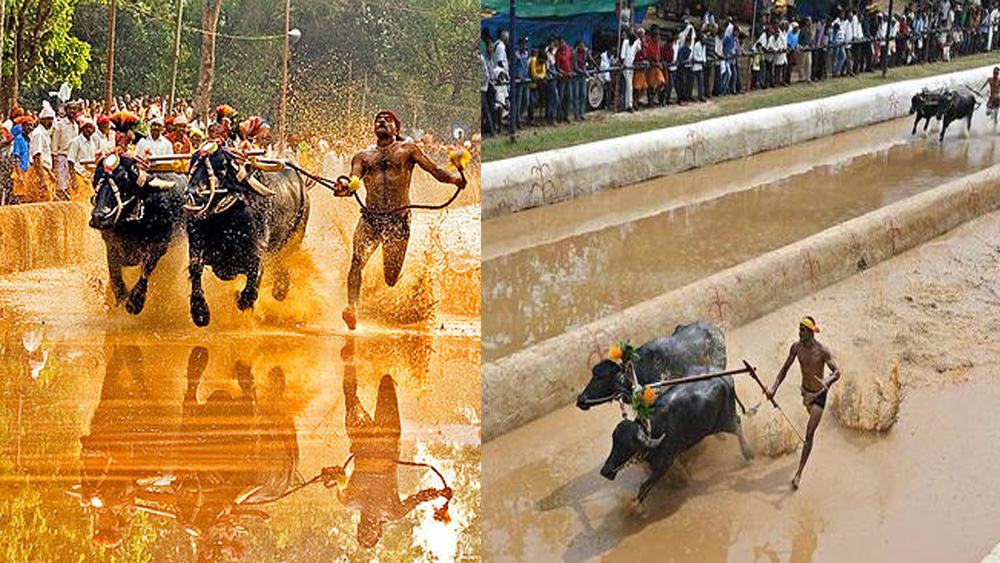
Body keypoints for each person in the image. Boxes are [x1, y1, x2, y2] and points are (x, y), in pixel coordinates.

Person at [338, 111, 466, 331]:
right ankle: (352, 308)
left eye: (387, 120)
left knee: (390, 278)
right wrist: (344, 187)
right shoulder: (362, 156)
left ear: (397, 129)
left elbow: (434, 170)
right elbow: (354, 179)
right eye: (378, 119)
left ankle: (405, 293)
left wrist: (455, 180)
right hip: (371, 218)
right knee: (356, 262)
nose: (381, 121)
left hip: (398, 220)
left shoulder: (408, 150)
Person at [334, 339, 451, 548]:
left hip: (364, 441)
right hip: (383, 441)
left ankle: (351, 359)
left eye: (364, 531)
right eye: (371, 532)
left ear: (359, 526)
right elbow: (419, 498)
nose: (368, 527)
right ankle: (379, 351)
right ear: (379, 529)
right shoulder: (392, 511)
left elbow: (340, 481)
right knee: (384, 383)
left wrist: (336, 476)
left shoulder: (348, 500)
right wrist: (439, 493)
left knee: (356, 395)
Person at [765, 316, 841, 490]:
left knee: (809, 433)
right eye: (799, 329)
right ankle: (815, 422)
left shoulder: (822, 351)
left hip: (819, 395)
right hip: (805, 393)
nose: (799, 333)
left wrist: (828, 381)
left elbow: (837, 372)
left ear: (811, 332)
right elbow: (784, 370)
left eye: (803, 330)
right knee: (809, 421)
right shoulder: (796, 348)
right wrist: (773, 388)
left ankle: (798, 473)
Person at [67, 117, 102, 200]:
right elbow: (71, 161)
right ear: (82, 128)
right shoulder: (76, 142)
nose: (89, 130)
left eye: (91, 128)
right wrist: (73, 179)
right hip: (79, 174)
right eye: (87, 127)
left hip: (91, 175)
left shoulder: (93, 143)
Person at [27, 103, 56, 203]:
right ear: (41, 120)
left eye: (51, 119)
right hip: (38, 172)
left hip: (45, 171)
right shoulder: (38, 133)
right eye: (47, 119)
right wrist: (41, 179)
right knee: (40, 202)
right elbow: (37, 157)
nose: (50, 121)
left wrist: (50, 173)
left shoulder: (45, 133)